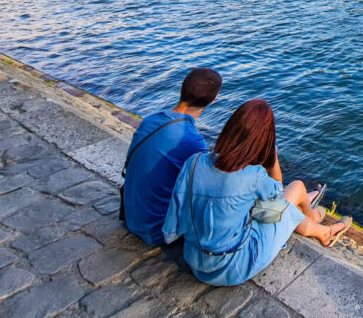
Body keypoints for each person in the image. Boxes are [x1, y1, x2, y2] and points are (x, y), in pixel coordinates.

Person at [163, 98, 351, 286]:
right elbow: (279, 202)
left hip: (195, 260)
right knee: (288, 203)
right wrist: (272, 156)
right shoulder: (254, 176)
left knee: (282, 199)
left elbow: (170, 229)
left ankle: (316, 222)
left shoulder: (194, 163)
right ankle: (319, 224)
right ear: (264, 139)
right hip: (233, 267)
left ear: (230, 129)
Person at [121, 68, 222, 246]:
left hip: (131, 216)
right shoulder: (192, 141)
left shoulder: (150, 119)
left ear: (182, 89)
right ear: (213, 100)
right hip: (157, 230)